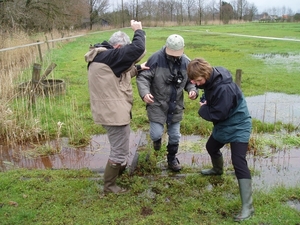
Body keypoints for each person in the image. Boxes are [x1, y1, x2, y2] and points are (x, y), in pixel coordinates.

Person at [186, 58, 254, 222]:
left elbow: (218, 114)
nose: (196, 83)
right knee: (211, 147)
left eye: (198, 80)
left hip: (238, 124)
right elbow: (211, 96)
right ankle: (218, 170)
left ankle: (248, 207)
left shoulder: (223, 88)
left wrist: (203, 109)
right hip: (224, 125)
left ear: (206, 74)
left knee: (238, 161)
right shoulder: (211, 79)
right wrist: (202, 95)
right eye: (193, 81)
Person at [84, 20, 148, 194]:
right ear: (119, 46)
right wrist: (138, 30)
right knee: (119, 151)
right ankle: (110, 186)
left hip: (108, 111)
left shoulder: (103, 56)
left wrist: (138, 68)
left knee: (119, 148)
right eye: (123, 52)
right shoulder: (109, 56)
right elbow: (138, 49)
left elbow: (117, 75)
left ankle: (116, 175)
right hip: (113, 114)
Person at [136, 34, 198, 172]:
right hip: (157, 104)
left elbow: (191, 81)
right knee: (156, 133)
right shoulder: (155, 59)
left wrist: (193, 90)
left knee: (175, 135)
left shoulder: (187, 63)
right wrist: (145, 93)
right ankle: (156, 141)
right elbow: (143, 78)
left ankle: (172, 159)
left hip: (176, 106)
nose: (175, 56)